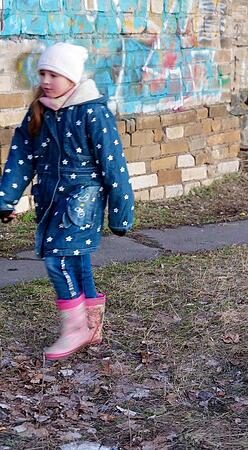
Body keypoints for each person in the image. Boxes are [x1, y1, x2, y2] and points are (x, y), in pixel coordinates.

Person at [0, 43, 134, 360]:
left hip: (81, 203)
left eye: (54, 74)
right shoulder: (40, 111)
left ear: (72, 77)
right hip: (49, 200)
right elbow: (21, 158)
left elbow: (113, 164)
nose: (46, 80)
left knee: (57, 259)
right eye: (43, 73)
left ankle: (75, 329)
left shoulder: (93, 112)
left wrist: (121, 214)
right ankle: (92, 325)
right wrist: (6, 199)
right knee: (77, 261)